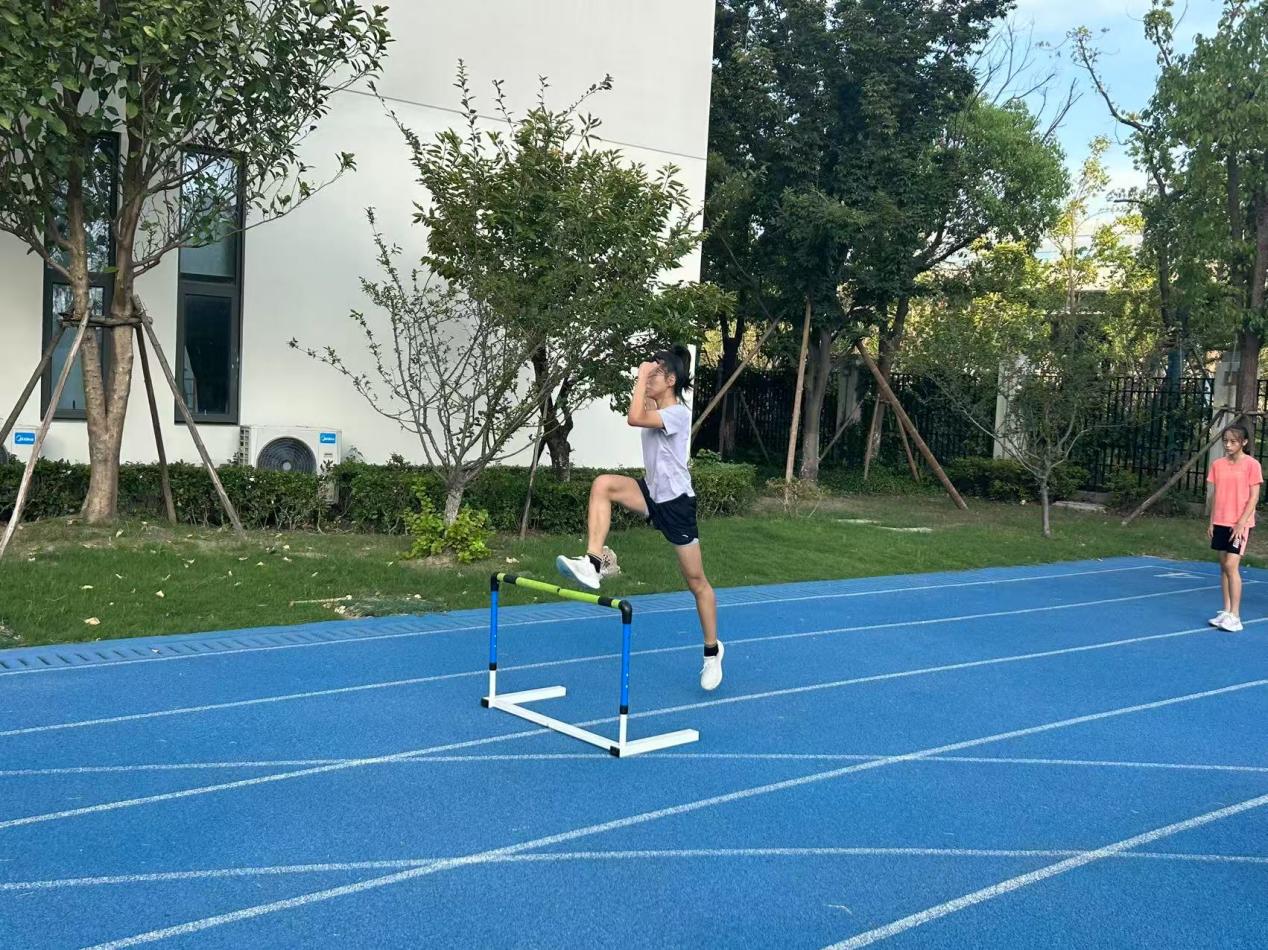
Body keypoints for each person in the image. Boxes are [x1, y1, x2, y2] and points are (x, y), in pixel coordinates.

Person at [556, 345, 724, 690]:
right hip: (651, 493)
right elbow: (640, 407)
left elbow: (634, 417)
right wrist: (650, 371)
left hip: (676, 504)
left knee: (696, 582)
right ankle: (593, 562)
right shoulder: (657, 405)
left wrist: (642, 375)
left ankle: (712, 652)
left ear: (671, 381)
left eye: (657, 374)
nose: (648, 377)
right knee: (603, 484)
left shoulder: (677, 414)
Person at [1207, 423, 1262, 633]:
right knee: (1223, 566)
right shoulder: (1218, 464)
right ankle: (1227, 610)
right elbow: (1216, 494)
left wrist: (1241, 523)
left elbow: (1254, 497)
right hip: (1220, 521)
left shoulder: (1252, 465)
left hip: (1240, 524)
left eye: (1233, 442)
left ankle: (1236, 616)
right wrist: (1211, 521)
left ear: (1244, 442)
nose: (1228, 445)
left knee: (1231, 565)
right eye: (1226, 441)